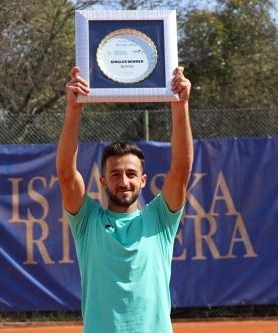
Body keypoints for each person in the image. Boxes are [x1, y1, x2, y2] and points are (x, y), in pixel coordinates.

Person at [56, 66, 193, 333]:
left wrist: (181, 105)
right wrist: (73, 109)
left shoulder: (161, 219)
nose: (124, 181)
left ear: (143, 180)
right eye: (116, 174)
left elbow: (181, 167)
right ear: (104, 181)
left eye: (131, 174)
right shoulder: (87, 222)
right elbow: (65, 173)